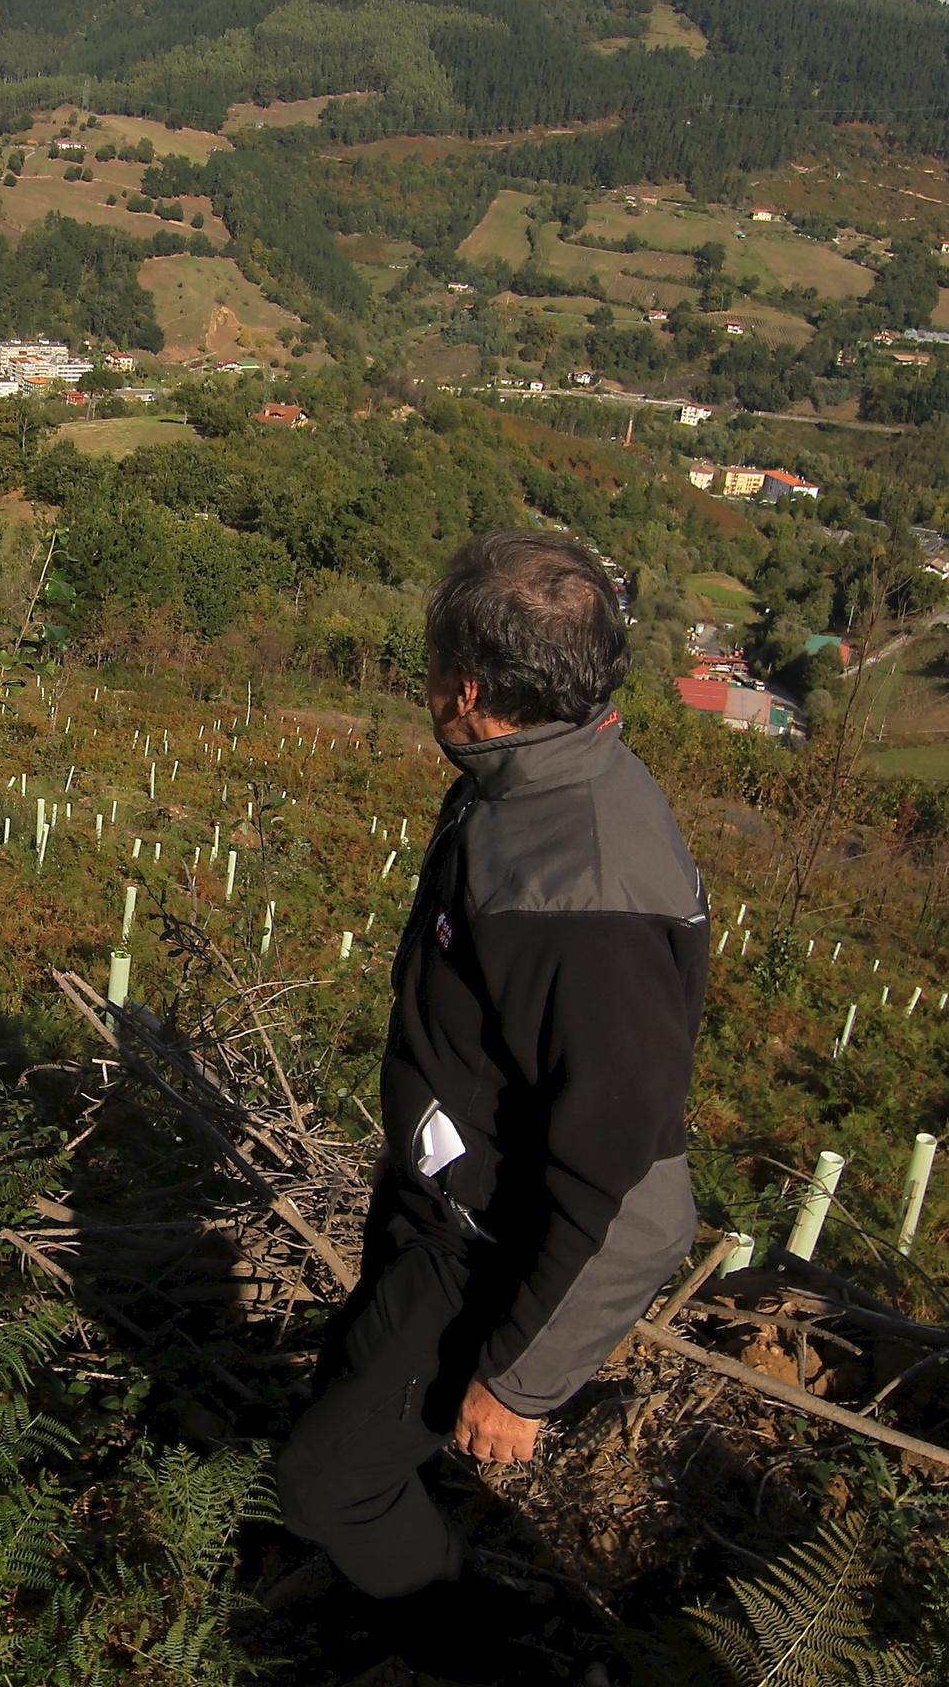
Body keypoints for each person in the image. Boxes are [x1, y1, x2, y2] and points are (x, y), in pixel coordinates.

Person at [278, 530, 707, 1677]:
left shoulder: (586, 893)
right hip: (443, 1200)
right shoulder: (537, 780)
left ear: (467, 690)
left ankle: (494, 1664)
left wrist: (522, 1379)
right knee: (355, 1405)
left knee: (331, 1482)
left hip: (484, 1245)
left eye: (429, 668)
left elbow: (645, 1198)